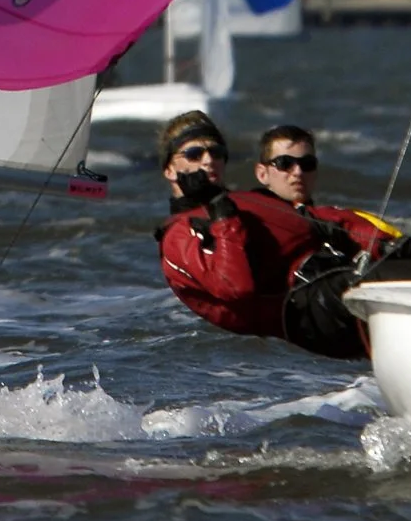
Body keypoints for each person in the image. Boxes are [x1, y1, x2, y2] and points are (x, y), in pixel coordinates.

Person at [154, 114, 396, 360]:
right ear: (170, 170)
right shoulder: (179, 235)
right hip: (305, 313)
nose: (208, 160)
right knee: (385, 284)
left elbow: (327, 220)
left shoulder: (250, 200)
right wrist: (222, 215)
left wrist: (386, 244)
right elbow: (236, 287)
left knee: (405, 266)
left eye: (216, 153)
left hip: (337, 278)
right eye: (194, 154)